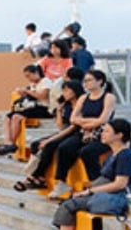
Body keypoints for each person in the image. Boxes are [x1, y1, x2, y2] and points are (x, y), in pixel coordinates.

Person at [39, 118, 131, 230]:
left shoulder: (126, 156)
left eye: (106, 131)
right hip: (106, 194)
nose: (102, 134)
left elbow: (120, 184)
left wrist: (90, 191)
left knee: (69, 206)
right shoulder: (113, 155)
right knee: (69, 203)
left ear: (119, 135)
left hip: (119, 197)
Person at [48, 68, 116, 199]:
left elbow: (103, 119)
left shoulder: (108, 97)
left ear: (100, 81)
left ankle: (97, 184)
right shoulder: (83, 98)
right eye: (85, 81)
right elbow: (73, 118)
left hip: (102, 134)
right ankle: (61, 182)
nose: (86, 83)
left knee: (87, 152)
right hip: (83, 132)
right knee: (64, 147)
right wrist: (89, 122)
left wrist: (84, 121)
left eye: (89, 80)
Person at [14, 80, 83, 192]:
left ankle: (34, 176)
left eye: (67, 90)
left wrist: (49, 140)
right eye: (63, 90)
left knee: (49, 145)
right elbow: (61, 126)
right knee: (35, 144)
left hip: (75, 133)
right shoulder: (67, 105)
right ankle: (38, 177)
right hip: (64, 131)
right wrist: (59, 111)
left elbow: (73, 127)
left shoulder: (82, 105)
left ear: (75, 91)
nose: (64, 93)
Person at [0, 65, 54, 156]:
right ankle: (8, 142)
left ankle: (11, 143)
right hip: (32, 107)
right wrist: (23, 94)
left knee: (16, 117)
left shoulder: (46, 82)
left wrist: (27, 91)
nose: (28, 78)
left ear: (36, 73)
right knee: (8, 117)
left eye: (29, 76)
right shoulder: (33, 84)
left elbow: (42, 96)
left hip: (43, 108)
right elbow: (31, 96)